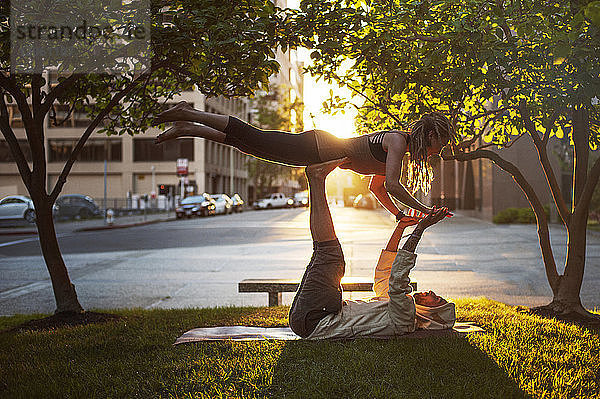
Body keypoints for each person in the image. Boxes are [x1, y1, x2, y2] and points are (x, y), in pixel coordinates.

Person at [153, 101, 455, 219]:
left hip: (316, 151)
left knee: (249, 147)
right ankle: (189, 113)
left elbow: (377, 188)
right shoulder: (397, 141)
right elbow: (392, 184)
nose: (437, 153)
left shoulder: (398, 152)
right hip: (317, 145)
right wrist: (425, 210)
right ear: (429, 136)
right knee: (253, 136)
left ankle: (190, 129)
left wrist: (399, 215)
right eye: (439, 145)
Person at [287, 158, 455, 339]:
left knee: (329, 254)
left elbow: (398, 280)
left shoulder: (405, 319)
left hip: (317, 320)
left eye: (436, 299)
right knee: (323, 250)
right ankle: (315, 179)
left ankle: (316, 179)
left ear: (432, 314)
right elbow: (385, 272)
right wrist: (401, 227)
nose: (431, 292)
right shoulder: (396, 305)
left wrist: (420, 229)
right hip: (310, 316)